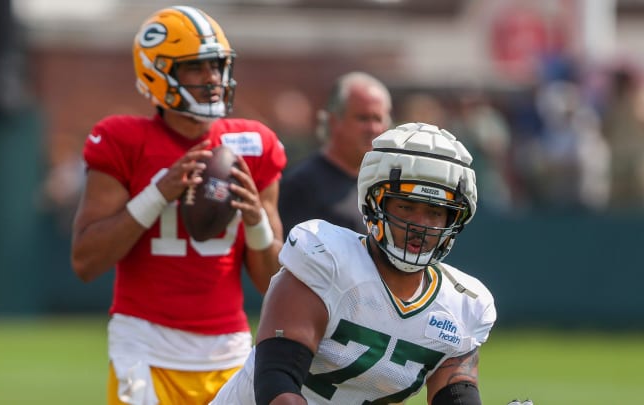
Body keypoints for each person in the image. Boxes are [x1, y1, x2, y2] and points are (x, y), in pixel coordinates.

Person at [70, 6, 286, 405]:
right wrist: (157, 194)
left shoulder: (253, 144)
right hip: (145, 347)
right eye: (197, 68)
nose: (214, 80)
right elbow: (86, 261)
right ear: (157, 73)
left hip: (229, 349)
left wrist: (256, 221)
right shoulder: (122, 140)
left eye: (218, 66)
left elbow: (274, 282)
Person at [212, 122, 496, 405]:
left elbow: (456, 396)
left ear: (453, 220)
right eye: (406, 207)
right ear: (375, 204)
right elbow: (277, 384)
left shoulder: (463, 305)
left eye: (434, 212)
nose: (420, 225)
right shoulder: (326, 259)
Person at [278, 72, 392, 235]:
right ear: (333, 121)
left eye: (378, 119)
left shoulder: (385, 182)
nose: (373, 129)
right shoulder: (301, 185)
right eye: (363, 118)